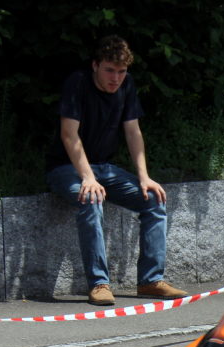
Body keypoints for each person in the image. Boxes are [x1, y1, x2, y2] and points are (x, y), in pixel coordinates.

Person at [45, 35, 186, 306]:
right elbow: (69, 135)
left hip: (104, 168)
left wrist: (144, 177)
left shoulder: (127, 85)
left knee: (153, 199)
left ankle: (150, 280)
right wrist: (87, 177)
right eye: (110, 70)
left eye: (121, 71)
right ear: (95, 65)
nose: (116, 78)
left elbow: (133, 131)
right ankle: (99, 284)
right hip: (66, 168)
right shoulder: (78, 83)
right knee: (91, 198)